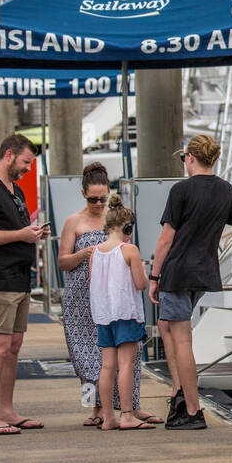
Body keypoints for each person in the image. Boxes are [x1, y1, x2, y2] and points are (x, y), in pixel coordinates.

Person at [149, 134, 232, 431]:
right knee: (168, 326)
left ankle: (191, 407)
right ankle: (179, 389)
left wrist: (153, 276)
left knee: (181, 338)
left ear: (190, 158)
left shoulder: (181, 190)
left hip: (177, 272)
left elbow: (165, 240)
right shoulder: (226, 191)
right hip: (203, 273)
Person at [58, 163, 158, 426]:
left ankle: (130, 407)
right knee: (89, 357)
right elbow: (62, 262)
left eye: (103, 198)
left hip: (116, 300)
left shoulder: (116, 221)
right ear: (83, 195)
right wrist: (82, 254)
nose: (99, 203)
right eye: (93, 199)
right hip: (83, 299)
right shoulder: (74, 221)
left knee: (123, 358)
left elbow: (129, 254)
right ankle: (97, 408)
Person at [0, 134, 47, 435]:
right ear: (9, 155)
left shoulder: (14, 190)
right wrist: (20, 236)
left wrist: (31, 233)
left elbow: (14, 230)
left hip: (18, 277)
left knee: (13, 346)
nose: (28, 168)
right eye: (26, 162)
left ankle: (6, 409)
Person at [91, 195, 153, 430]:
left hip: (103, 314)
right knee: (126, 364)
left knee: (107, 366)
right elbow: (140, 284)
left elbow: (94, 282)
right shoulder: (130, 250)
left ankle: (108, 417)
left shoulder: (96, 251)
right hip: (125, 312)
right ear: (128, 227)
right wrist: (145, 272)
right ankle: (127, 414)